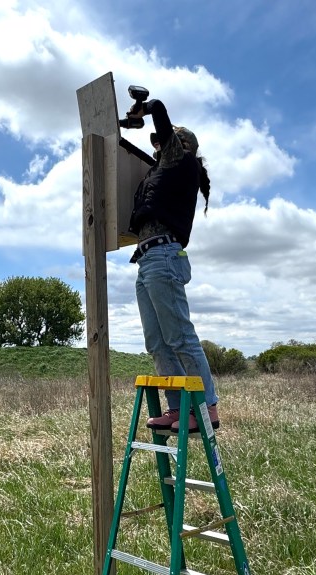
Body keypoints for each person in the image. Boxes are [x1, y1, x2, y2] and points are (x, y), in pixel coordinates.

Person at [124, 94, 219, 433]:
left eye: (162, 142)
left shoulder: (183, 161)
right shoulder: (161, 170)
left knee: (179, 337)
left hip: (164, 256)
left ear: (181, 145)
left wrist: (146, 109)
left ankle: (206, 408)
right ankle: (180, 408)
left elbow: (161, 116)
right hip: (147, 258)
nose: (157, 145)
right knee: (158, 342)